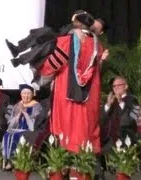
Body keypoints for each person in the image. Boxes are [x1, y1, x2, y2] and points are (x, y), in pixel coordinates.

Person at [34, 12, 104, 154]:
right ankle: (85, 167)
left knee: (67, 130)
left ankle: (64, 167)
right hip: (90, 96)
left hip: (66, 95)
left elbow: (51, 65)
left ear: (77, 24)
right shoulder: (98, 46)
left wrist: (39, 75)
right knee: (86, 129)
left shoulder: (67, 41)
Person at [6, 10, 95, 68]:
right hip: (59, 36)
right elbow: (63, 31)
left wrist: (75, 30)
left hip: (61, 47)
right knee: (44, 30)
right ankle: (17, 49)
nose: (73, 21)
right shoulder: (74, 26)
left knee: (47, 45)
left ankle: (20, 60)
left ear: (80, 24)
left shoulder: (83, 34)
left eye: (76, 21)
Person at [2, 84, 42, 170]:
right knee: (7, 134)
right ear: (21, 95)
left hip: (30, 129)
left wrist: (25, 113)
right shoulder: (17, 105)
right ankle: (9, 160)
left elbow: (36, 121)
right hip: (17, 128)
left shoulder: (36, 105)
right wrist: (18, 114)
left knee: (16, 135)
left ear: (32, 95)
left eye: (28, 94)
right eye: (24, 94)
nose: (26, 96)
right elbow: (11, 122)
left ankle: (18, 161)